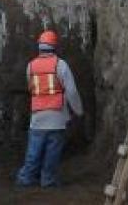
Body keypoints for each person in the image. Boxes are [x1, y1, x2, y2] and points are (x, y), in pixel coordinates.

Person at [16, 30, 83, 189]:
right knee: (52, 153)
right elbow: (72, 91)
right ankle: (48, 180)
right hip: (57, 117)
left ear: (39, 46)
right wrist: (78, 111)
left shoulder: (30, 66)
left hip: (38, 117)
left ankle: (26, 178)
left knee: (33, 152)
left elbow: (31, 88)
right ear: (55, 47)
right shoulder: (61, 65)